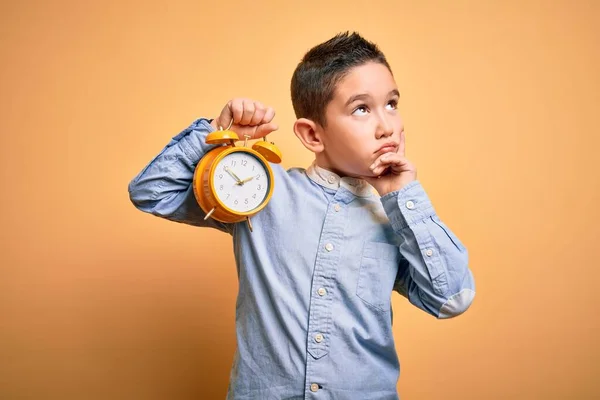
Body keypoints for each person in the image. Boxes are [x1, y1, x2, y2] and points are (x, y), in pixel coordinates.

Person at [128, 31, 475, 400]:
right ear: (312, 135)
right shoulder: (259, 192)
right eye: (361, 108)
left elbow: (450, 299)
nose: (387, 125)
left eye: (391, 104)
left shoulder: (400, 219)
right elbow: (152, 192)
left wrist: (402, 196)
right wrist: (216, 133)